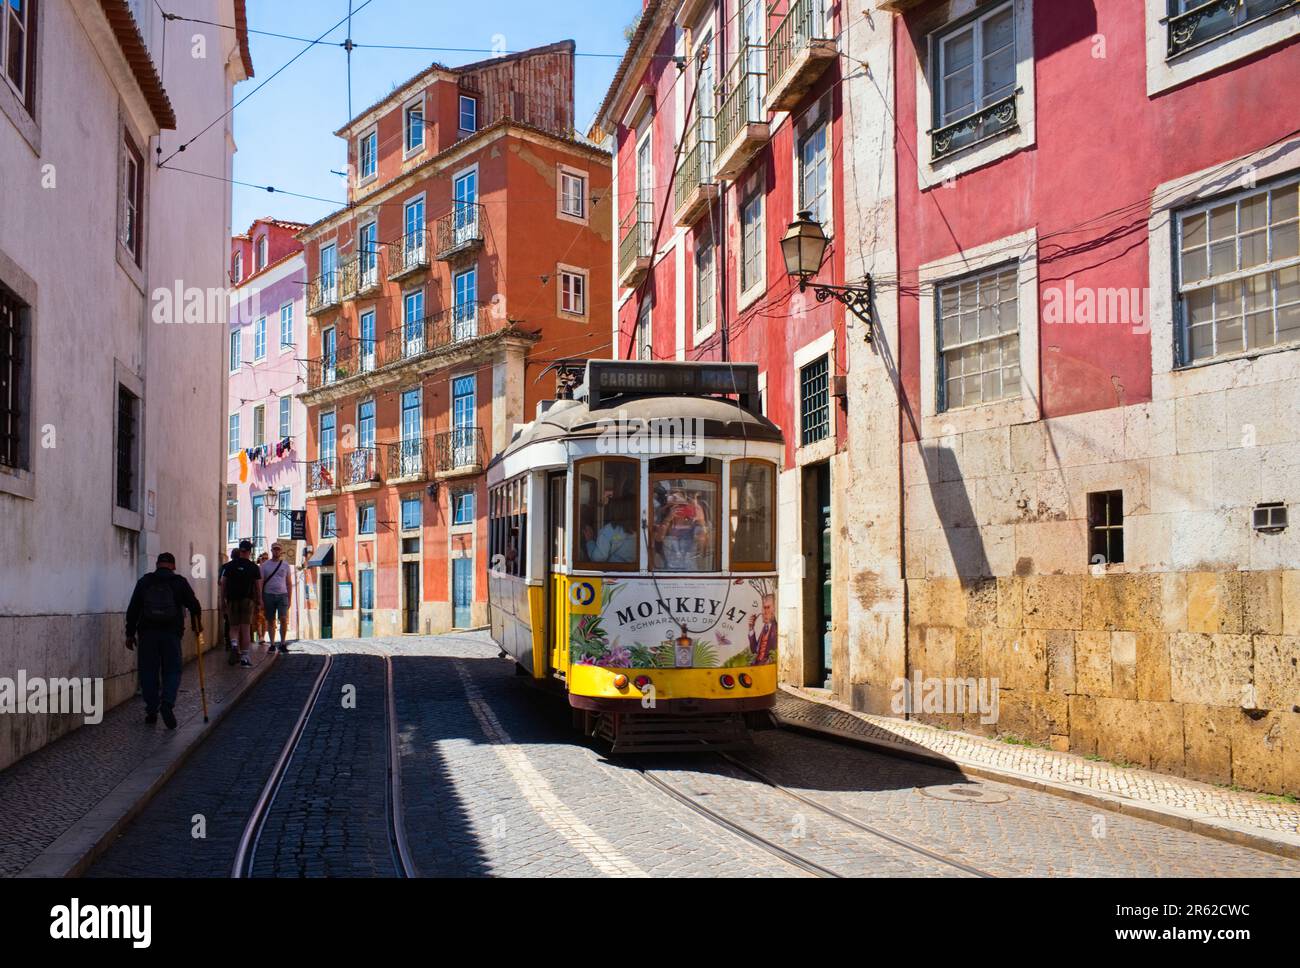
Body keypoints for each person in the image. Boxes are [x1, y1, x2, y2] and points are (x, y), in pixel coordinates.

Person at [125, 553, 202, 728]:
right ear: (173, 566)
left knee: (148, 671)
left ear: (157, 564)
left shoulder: (145, 582)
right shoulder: (179, 582)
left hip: (147, 634)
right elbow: (194, 606)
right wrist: (198, 627)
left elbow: (133, 609)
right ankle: (167, 703)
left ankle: (151, 710)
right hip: (171, 634)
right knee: (172, 671)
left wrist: (129, 634)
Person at [221, 540, 262, 667]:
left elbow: (223, 583)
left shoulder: (228, 566)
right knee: (245, 629)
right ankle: (244, 658)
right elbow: (257, 586)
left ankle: (233, 644)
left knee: (233, 627)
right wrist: (259, 600)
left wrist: (223, 600)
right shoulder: (254, 567)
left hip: (232, 599)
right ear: (249, 552)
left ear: (240, 550)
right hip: (247, 600)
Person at [260, 542, 295, 653]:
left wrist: (289, 598)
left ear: (281, 551)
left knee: (283, 619)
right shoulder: (265, 566)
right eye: (274, 549)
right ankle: (272, 644)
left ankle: (283, 643)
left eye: (278, 549)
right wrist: (260, 598)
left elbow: (289, 583)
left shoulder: (285, 565)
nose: (276, 551)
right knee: (271, 620)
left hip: (282, 595)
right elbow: (260, 583)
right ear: (271, 550)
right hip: (268, 595)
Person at [583, 495, 636, 563]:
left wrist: (589, 541)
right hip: (632, 571)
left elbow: (598, 558)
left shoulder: (609, 530)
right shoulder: (637, 530)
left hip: (614, 571)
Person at [218, 548, 240, 663]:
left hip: (228, 597)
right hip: (242, 598)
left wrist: (223, 598)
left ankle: (229, 643)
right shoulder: (244, 566)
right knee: (240, 624)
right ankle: (237, 646)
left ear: (231, 556)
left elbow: (220, 582)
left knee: (229, 622)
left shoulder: (225, 567)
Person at [747, 594, 777, 665]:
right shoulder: (765, 628)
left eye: (768, 607)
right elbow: (754, 650)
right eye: (764, 608)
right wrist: (751, 628)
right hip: (757, 664)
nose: (764, 612)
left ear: (775, 609)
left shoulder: (777, 629)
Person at [252, 552, 270, 645]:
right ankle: (260, 637)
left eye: (266, 558)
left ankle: (263, 636)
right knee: (258, 618)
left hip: (268, 596)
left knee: (266, 619)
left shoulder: (269, 570)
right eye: (263, 558)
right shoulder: (257, 570)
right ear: (260, 560)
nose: (265, 560)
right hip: (258, 597)